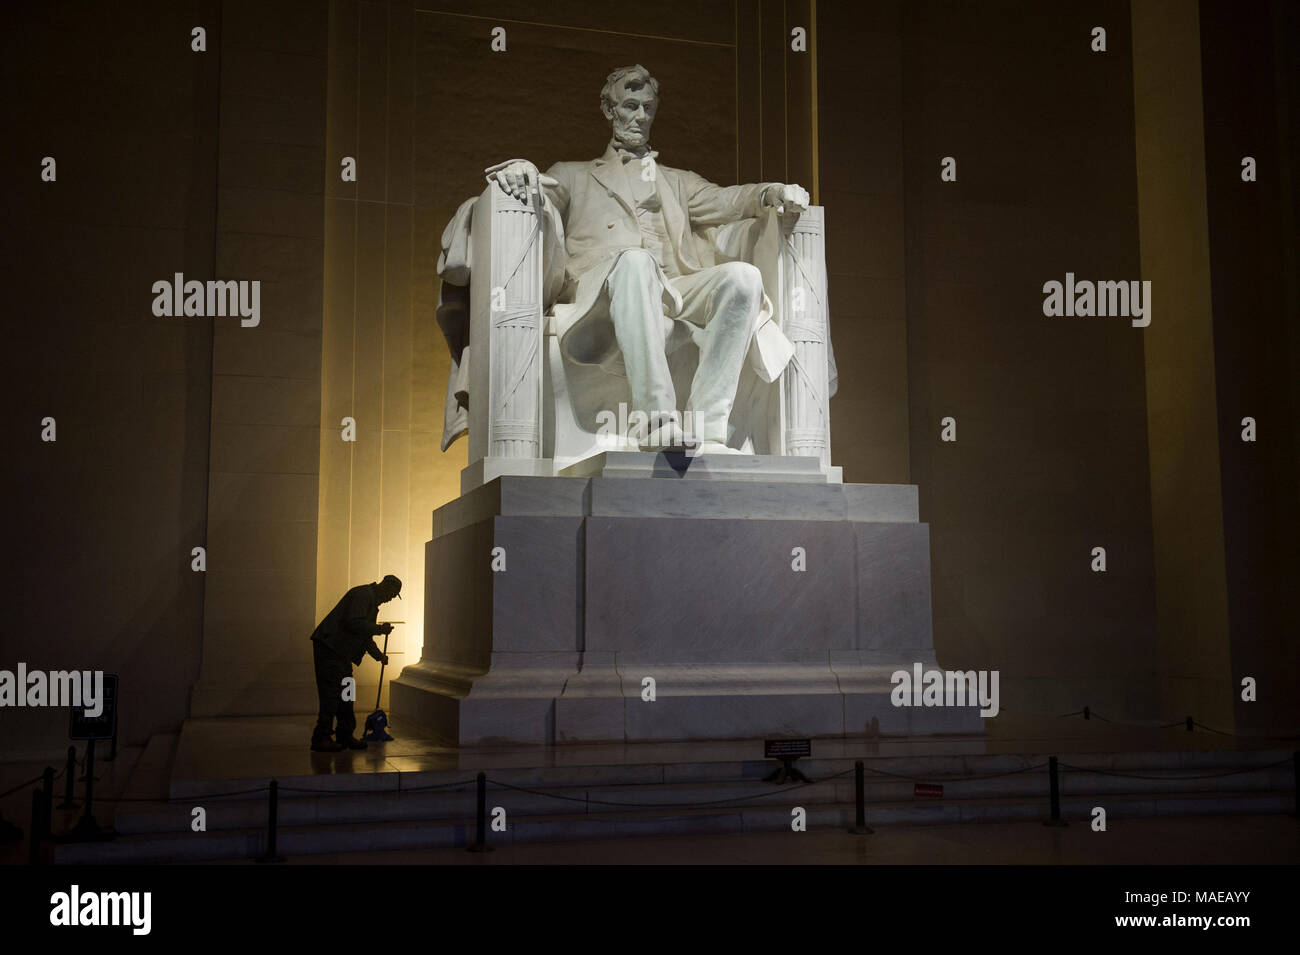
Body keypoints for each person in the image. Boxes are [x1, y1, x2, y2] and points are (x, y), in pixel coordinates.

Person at [488, 63, 809, 452]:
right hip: (603, 286)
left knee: (743, 279)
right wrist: (524, 170)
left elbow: (729, 200)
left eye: (647, 107)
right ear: (609, 110)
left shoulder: (678, 181)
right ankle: (655, 419)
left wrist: (772, 192)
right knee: (635, 261)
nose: (640, 116)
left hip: (671, 287)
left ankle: (708, 426)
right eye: (629, 106)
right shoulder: (574, 174)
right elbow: (543, 196)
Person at [308, 574, 401, 752]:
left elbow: (364, 636)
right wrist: (379, 629)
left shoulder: (372, 603)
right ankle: (321, 737)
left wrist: (378, 656)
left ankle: (345, 734)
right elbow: (353, 623)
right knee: (332, 694)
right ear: (385, 586)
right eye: (392, 594)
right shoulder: (363, 595)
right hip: (330, 648)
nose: (391, 599)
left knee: (347, 692)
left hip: (342, 654)